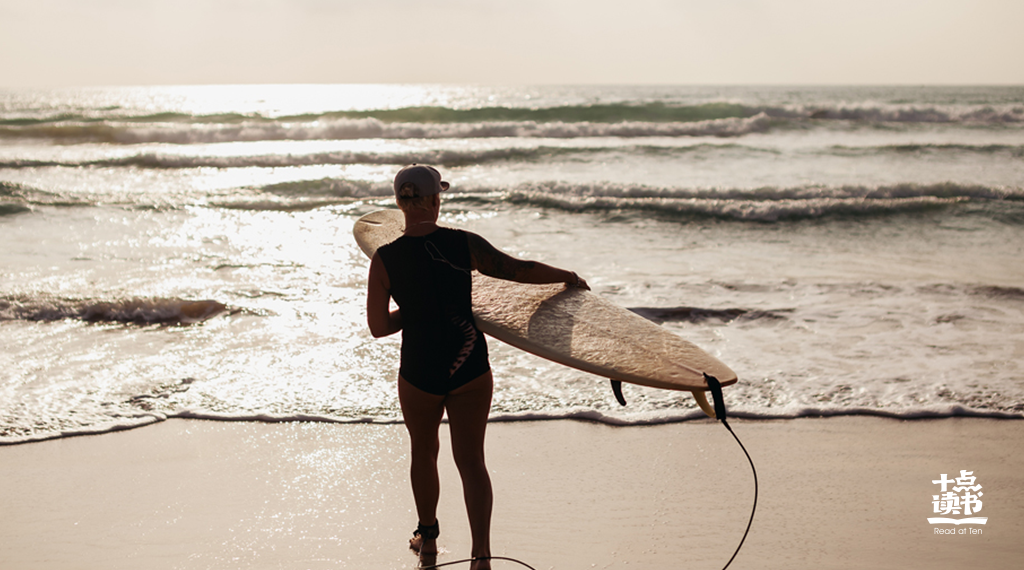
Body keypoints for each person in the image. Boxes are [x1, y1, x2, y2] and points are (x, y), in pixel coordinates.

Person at [366, 165, 589, 569]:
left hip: (419, 371)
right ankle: (482, 554)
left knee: (423, 453)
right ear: (436, 200)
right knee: (471, 462)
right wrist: (566, 277)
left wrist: (414, 312)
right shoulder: (464, 244)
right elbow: (518, 269)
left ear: (400, 203)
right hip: (469, 366)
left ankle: (428, 542)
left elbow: (379, 327)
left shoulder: (384, 259)